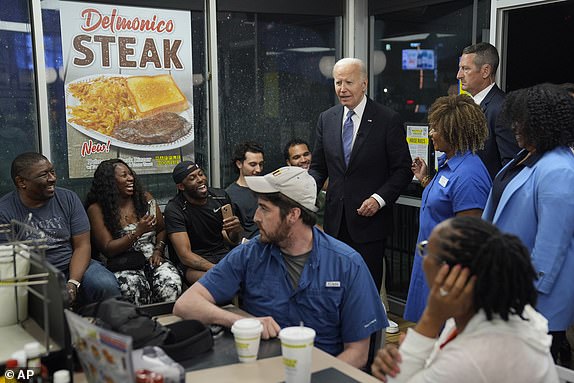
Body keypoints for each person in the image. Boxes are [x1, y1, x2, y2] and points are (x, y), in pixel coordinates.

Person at [173, 166, 388, 369]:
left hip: (323, 372)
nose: (256, 217)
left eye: (265, 209)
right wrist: (243, 322)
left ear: (293, 215)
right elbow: (186, 304)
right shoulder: (250, 254)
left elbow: (358, 354)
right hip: (262, 372)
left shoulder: (347, 264)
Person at [372, 217, 558, 383]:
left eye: (427, 249)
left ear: (451, 274)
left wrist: (431, 318)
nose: (423, 256)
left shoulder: (474, 358)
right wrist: (407, 357)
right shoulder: (493, 311)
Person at [482, 83, 574, 363]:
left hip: (535, 300)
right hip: (508, 289)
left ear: (544, 124)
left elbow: (551, 246)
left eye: (522, 120)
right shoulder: (526, 157)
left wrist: (524, 298)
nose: (515, 127)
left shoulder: (559, 169)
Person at [309, 57, 412, 301]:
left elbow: (403, 170)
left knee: (365, 295)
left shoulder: (387, 119)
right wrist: (303, 191)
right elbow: (318, 167)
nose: (342, 89)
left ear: (364, 84)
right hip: (334, 224)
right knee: (334, 291)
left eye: (348, 82)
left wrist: (379, 199)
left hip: (369, 225)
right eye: (337, 82)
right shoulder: (327, 118)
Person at [404, 95, 491, 323]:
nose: (431, 133)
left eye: (437, 129)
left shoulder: (469, 175)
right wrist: (425, 180)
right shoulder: (448, 164)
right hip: (430, 263)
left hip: (448, 273)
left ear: (455, 132)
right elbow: (443, 202)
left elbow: (469, 239)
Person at [0, 152, 120, 306]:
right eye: (44, 175)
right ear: (22, 182)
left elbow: (82, 245)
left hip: (72, 265)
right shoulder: (5, 211)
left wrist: (73, 283)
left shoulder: (68, 198)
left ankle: (112, 325)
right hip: (34, 274)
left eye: (52, 171)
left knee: (105, 285)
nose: (52, 178)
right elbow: (11, 262)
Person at [85, 159, 182, 305]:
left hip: (151, 257)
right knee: (135, 290)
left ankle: (168, 323)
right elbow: (108, 249)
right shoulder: (97, 209)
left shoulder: (144, 198)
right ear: (110, 181)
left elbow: (162, 229)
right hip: (122, 263)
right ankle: (141, 324)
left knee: (171, 284)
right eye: (124, 175)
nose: (131, 178)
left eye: (131, 174)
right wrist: (137, 232)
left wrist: (158, 251)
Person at [164, 161, 244, 285]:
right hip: (193, 264)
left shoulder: (220, 197)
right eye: (192, 178)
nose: (200, 179)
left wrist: (234, 230)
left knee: (252, 273)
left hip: (222, 254)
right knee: (218, 281)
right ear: (181, 186)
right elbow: (185, 255)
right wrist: (216, 269)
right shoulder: (175, 208)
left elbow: (232, 240)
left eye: (201, 174)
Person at [456, 42, 520, 179]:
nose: (459, 75)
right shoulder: (468, 106)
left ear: (485, 71)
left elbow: (511, 167)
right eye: (460, 68)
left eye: (465, 69)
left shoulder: (502, 108)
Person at [225, 141, 264, 240]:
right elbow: (230, 236)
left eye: (261, 164)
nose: (258, 169)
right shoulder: (230, 194)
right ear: (239, 164)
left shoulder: (267, 188)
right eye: (253, 164)